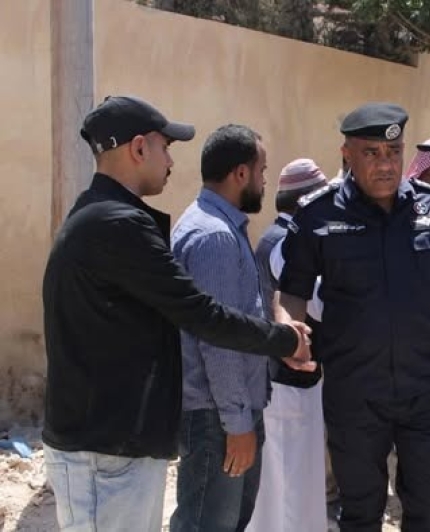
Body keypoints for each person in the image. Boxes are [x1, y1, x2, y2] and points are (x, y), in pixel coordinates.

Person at [41, 96, 312, 532]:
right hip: (104, 455)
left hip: (114, 447)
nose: (171, 161)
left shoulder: (103, 216)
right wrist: (285, 340)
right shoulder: (116, 225)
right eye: (165, 147)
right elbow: (203, 316)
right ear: (138, 148)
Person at [276, 102, 430, 532]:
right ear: (347, 154)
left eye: (394, 152)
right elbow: (292, 290)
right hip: (355, 392)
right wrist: (289, 329)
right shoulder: (318, 214)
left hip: (425, 388)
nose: (386, 164)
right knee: (361, 512)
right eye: (372, 153)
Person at [168, 124, 275, 531]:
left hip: (225, 414)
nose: (265, 181)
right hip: (218, 419)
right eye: (262, 171)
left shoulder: (219, 226)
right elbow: (219, 341)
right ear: (241, 174)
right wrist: (238, 424)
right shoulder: (213, 236)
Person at [249, 158, 329, 532]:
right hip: (289, 383)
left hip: (284, 382)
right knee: (294, 488)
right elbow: (315, 304)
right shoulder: (287, 243)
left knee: (283, 485)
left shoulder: (275, 236)